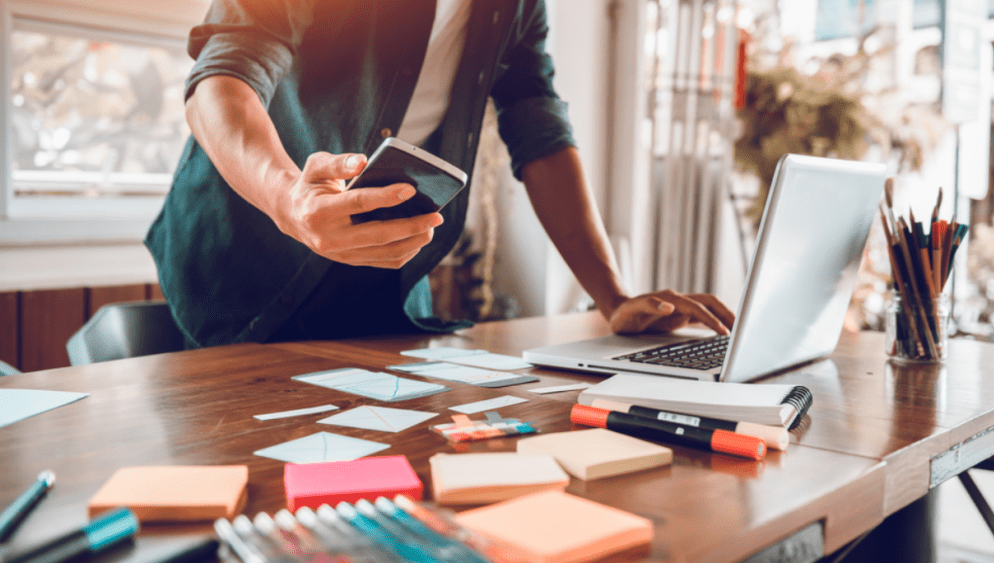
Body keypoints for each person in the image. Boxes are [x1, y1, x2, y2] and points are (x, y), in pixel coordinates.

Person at [146, 0, 735, 348]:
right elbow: (223, 76)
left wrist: (615, 297)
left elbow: (539, 125)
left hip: (383, 279)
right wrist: (287, 198)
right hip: (235, 265)